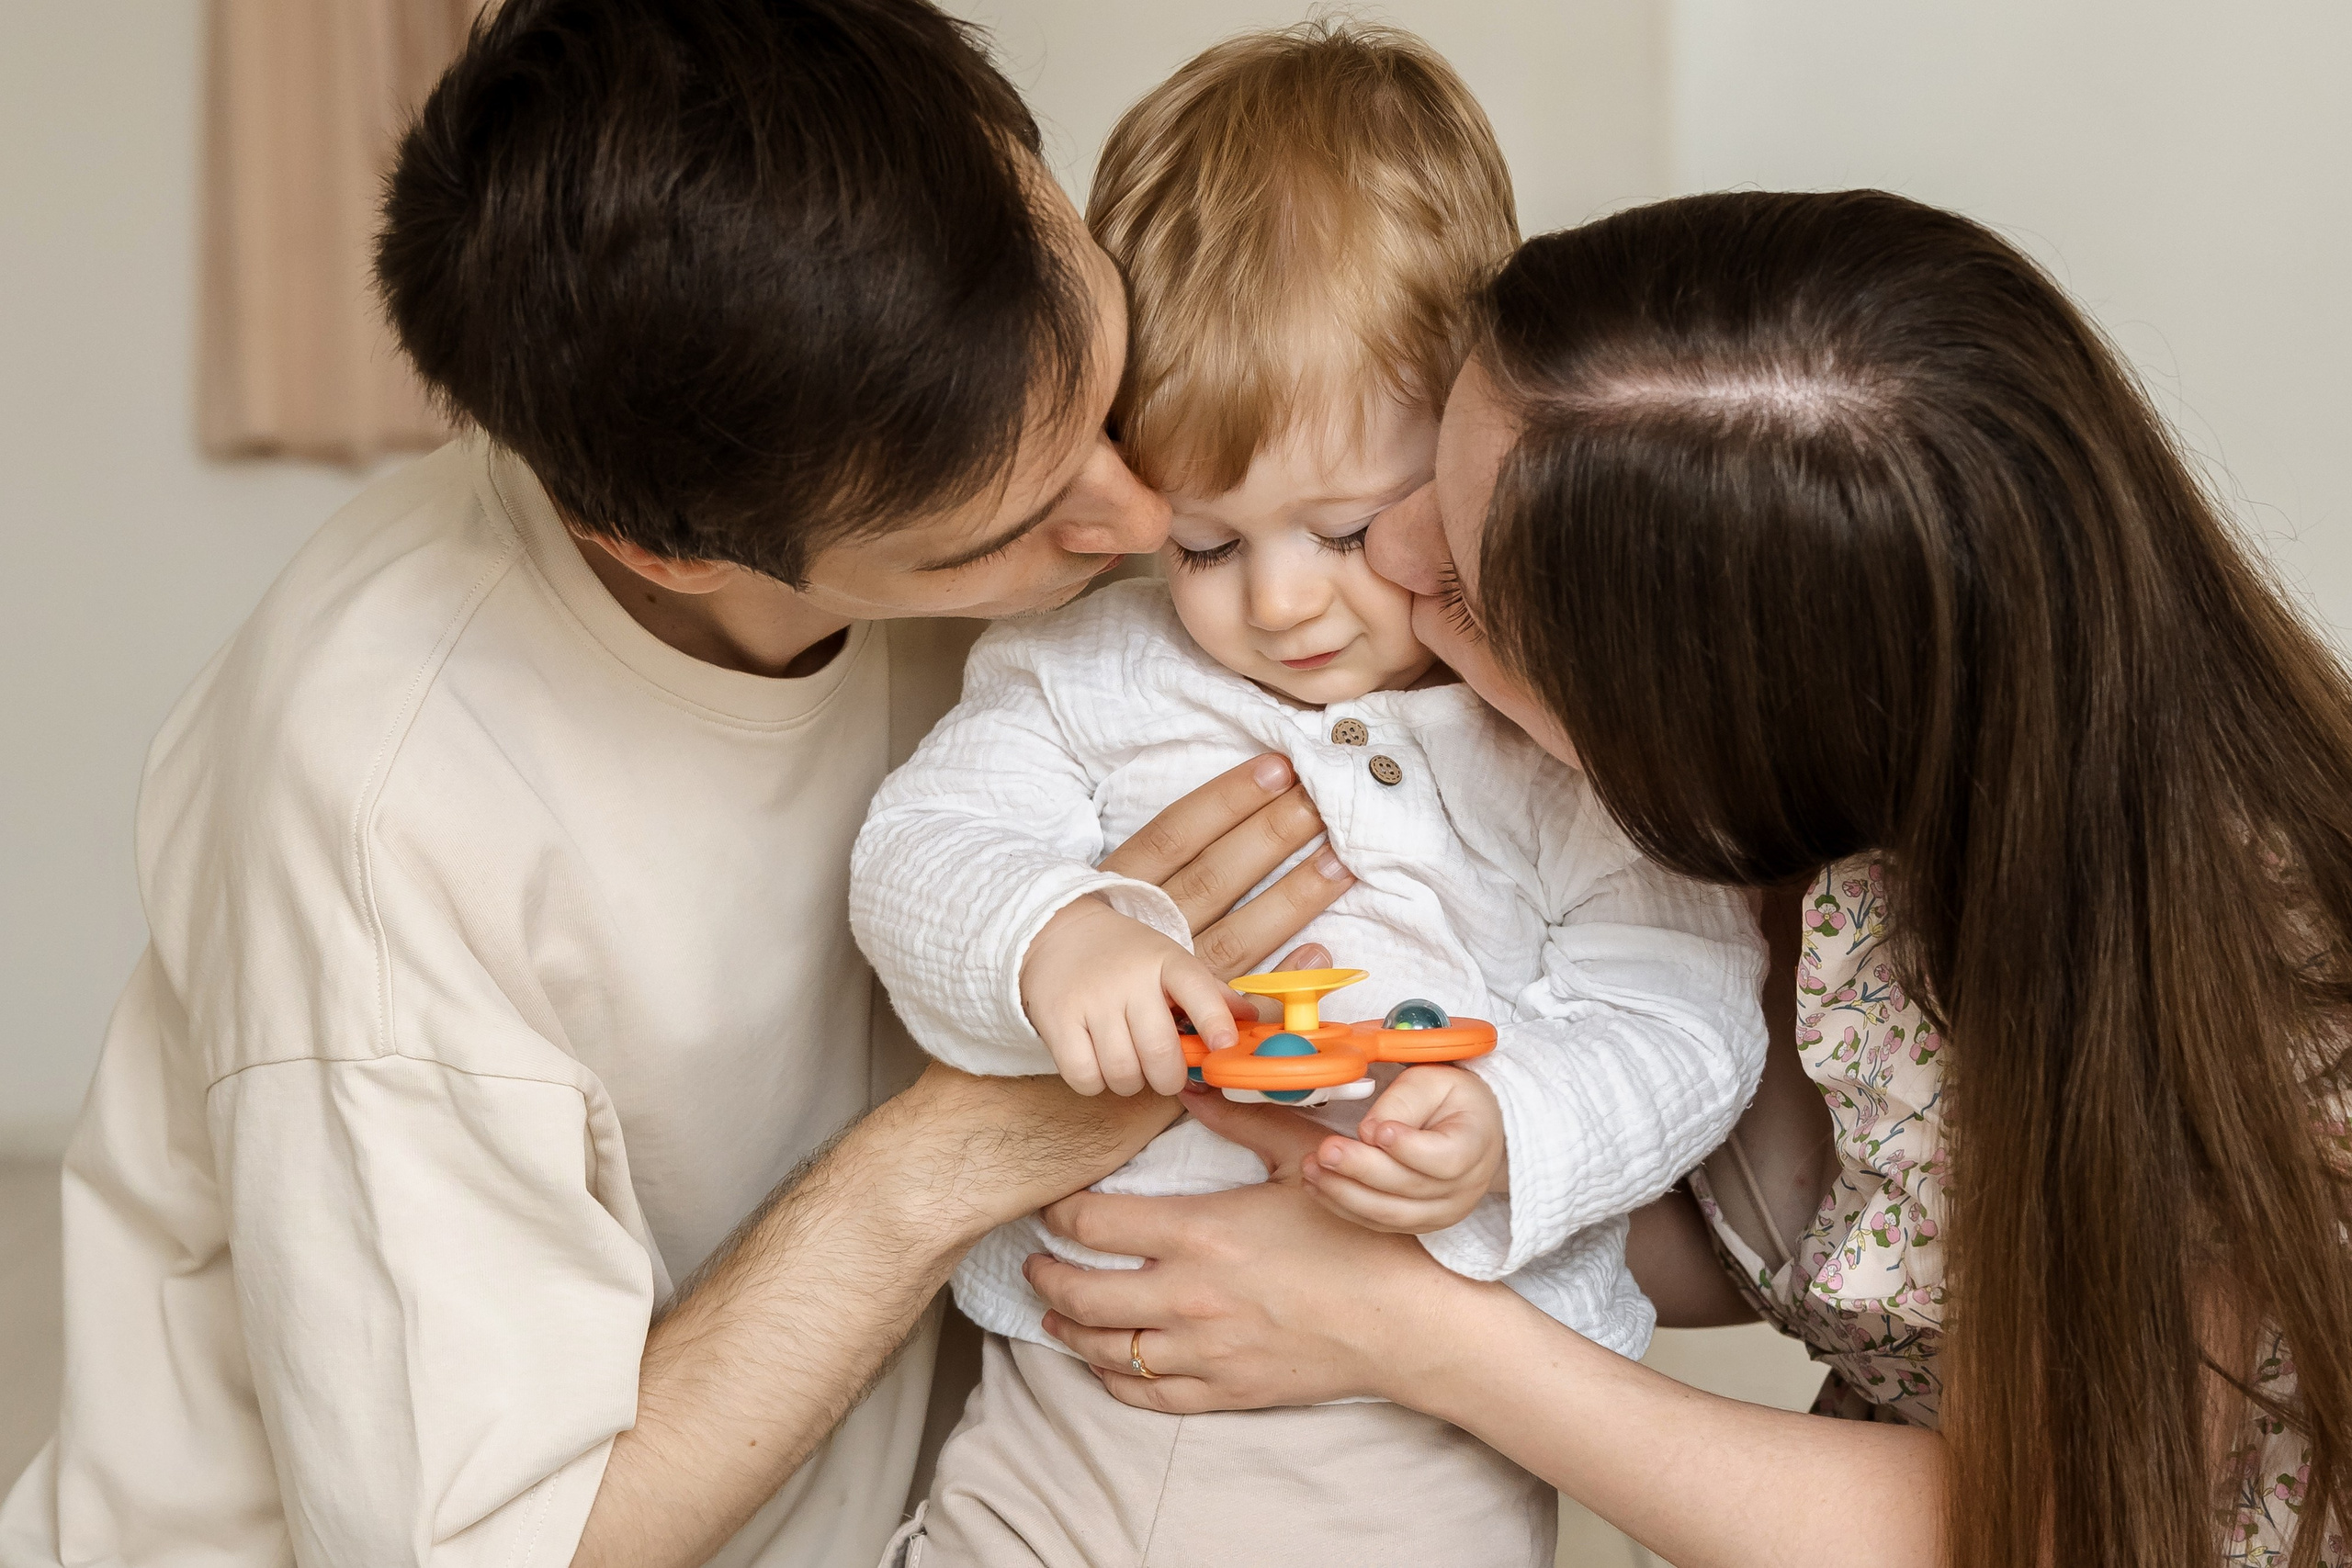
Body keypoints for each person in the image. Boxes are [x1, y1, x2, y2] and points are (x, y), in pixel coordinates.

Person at [0, 5, 1353, 1568]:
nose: (1135, 525)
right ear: (670, 554)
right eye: (1004, 530)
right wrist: (964, 1146)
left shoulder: (983, 461)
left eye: (1108, 398)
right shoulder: (387, 811)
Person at [1023, 189, 2352, 1567]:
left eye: (1468, 596)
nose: (1394, 564)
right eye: (1425, 474)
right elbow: (1837, 1249)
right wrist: (1430, 1165)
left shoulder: (2249, 1006)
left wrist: (1420, 1335)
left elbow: (2061, 1528)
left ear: (1707, 738)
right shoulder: (1755, 839)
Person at [851, 27, 1765, 1566]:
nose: (1281, 603)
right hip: (1068, 1412)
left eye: (1346, 529)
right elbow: (920, 849)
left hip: (1407, 1460)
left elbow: (1683, 1012)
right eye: (1207, 543)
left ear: (1477, 436)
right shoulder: (1085, 670)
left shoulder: (1551, 725)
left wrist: (1504, 1129)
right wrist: (1055, 934)